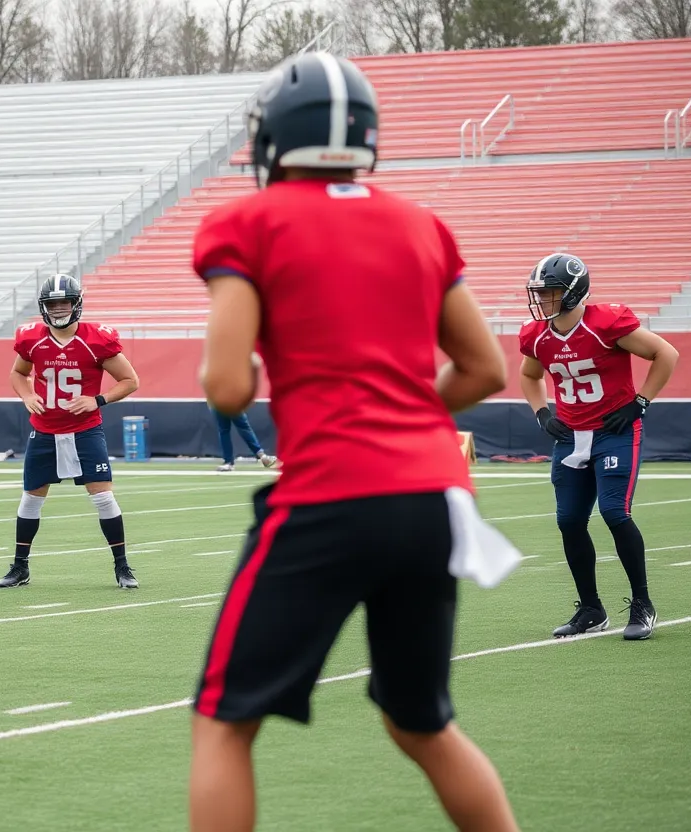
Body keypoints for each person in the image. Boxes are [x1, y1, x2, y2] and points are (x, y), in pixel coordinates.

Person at [189, 53, 521, 832]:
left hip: (332, 492)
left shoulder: (247, 222)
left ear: (275, 136)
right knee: (421, 722)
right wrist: (409, 414)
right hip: (434, 498)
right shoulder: (420, 223)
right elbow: (484, 369)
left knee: (224, 719)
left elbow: (228, 388)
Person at [519, 253, 678, 641]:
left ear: (573, 292)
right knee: (569, 520)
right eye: (540, 293)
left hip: (614, 430)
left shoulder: (606, 323)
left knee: (613, 511)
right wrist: (542, 412)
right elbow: (529, 375)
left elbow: (666, 354)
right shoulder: (537, 334)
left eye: (551, 292)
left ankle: (643, 604)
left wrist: (640, 402)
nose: (542, 300)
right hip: (572, 435)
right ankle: (591, 608)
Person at [0, 273, 141, 589]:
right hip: (45, 430)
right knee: (31, 499)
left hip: (85, 430)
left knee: (103, 498)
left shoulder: (97, 339)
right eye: (53, 304)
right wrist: (28, 395)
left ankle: (123, 567)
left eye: (64, 303)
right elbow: (18, 374)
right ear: (43, 306)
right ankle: (20, 567)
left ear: (76, 304)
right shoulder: (31, 337)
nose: (59, 309)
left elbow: (130, 380)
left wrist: (97, 400)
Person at [210, 406, 277, 471]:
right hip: (230, 401)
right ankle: (262, 456)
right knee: (242, 427)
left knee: (224, 430)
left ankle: (228, 462)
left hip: (219, 401)